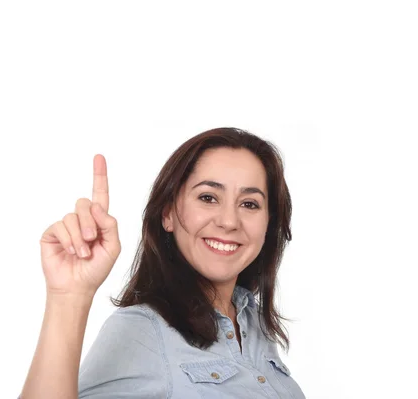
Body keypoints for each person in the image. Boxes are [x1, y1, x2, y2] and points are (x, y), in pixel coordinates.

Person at [19, 127, 306, 398]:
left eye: (249, 204)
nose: (229, 221)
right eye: (208, 197)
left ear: (268, 223)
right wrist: (68, 297)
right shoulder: (142, 330)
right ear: (167, 214)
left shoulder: (252, 322)